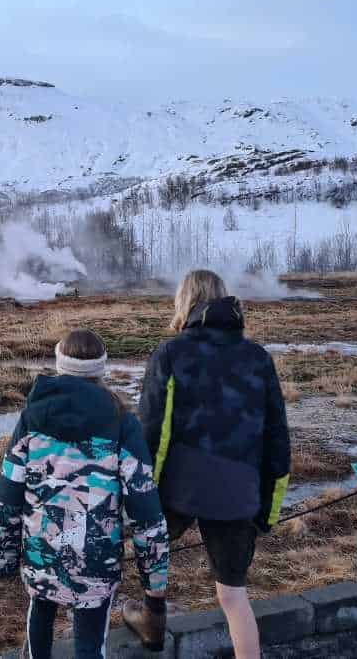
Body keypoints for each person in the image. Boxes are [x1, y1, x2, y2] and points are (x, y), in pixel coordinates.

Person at [125, 269, 291, 659]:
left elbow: (152, 432)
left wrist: (141, 495)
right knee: (233, 594)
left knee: (154, 551)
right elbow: (276, 438)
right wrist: (269, 509)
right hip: (238, 489)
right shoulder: (258, 358)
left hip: (179, 487)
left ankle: (153, 621)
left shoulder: (171, 354)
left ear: (185, 302)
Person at [0, 329, 170, 658]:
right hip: (95, 561)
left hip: (40, 554)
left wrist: (3, 556)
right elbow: (146, 512)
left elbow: (7, 495)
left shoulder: (32, 417)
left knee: (39, 620)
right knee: (90, 647)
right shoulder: (121, 422)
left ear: (60, 364)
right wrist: (154, 581)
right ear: (101, 369)